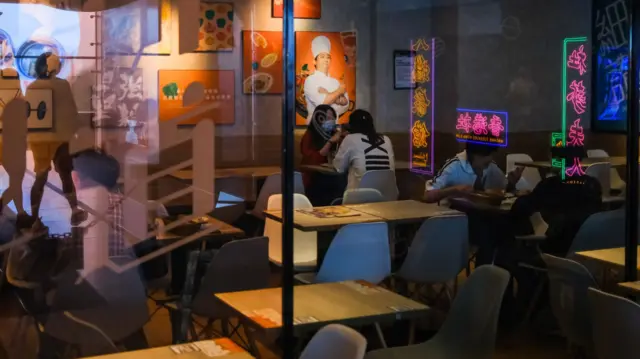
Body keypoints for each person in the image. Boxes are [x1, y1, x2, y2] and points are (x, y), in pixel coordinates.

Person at [26, 52, 86, 225]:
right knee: (65, 175)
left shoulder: (31, 87)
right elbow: (71, 113)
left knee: (40, 178)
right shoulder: (63, 85)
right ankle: (75, 211)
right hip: (60, 138)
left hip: (39, 139)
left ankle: (35, 217)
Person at [424, 142, 524, 203]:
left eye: (491, 155)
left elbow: (503, 190)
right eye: (485, 156)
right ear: (472, 155)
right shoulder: (453, 166)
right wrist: (453, 190)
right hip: (453, 218)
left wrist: (512, 182)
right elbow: (427, 195)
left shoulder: (490, 166)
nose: (489, 160)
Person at [333, 109, 395, 190]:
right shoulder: (386, 139)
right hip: (388, 194)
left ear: (351, 125)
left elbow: (339, 167)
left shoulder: (350, 138)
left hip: (360, 197)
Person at [300, 104, 346, 205]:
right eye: (328, 118)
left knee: (343, 181)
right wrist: (330, 142)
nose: (332, 121)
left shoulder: (336, 134)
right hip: (313, 176)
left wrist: (342, 139)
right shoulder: (309, 135)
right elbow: (312, 159)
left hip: (332, 175)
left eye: (333, 118)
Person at [303, 35, 350, 123]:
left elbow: (345, 105)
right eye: (322, 56)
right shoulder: (310, 80)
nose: (326, 60)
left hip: (334, 125)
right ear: (314, 61)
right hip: (315, 125)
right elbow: (322, 104)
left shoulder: (335, 82)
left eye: (328, 57)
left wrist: (328, 94)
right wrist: (339, 92)